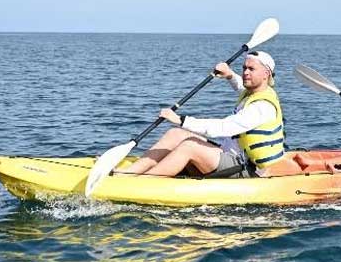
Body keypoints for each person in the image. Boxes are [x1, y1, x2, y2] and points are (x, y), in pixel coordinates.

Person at [118, 51, 288, 179]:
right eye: (244, 68)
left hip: (246, 169)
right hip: (229, 155)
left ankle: (145, 183)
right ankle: (126, 174)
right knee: (176, 134)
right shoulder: (253, 93)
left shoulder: (262, 106)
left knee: (189, 145)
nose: (245, 72)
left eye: (251, 69)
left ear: (266, 74)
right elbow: (241, 87)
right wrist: (229, 75)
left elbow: (223, 127)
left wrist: (181, 120)